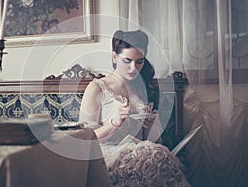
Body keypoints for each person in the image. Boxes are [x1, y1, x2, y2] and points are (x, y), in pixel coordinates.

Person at [79, 30, 190, 186]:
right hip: (106, 157)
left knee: (156, 156)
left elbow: (154, 141)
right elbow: (84, 139)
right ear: (114, 57)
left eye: (139, 61)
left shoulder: (142, 88)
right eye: (127, 60)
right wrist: (113, 124)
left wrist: (152, 125)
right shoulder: (97, 88)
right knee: (154, 156)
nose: (133, 68)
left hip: (140, 154)